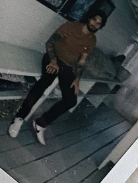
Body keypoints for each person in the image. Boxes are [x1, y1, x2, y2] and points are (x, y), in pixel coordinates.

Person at [7, 10, 106, 146]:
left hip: (67, 66)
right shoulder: (71, 26)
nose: (96, 24)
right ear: (89, 18)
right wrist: (53, 61)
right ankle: (19, 118)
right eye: (95, 19)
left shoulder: (92, 40)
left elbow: (82, 61)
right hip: (52, 58)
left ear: (100, 27)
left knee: (71, 100)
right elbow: (49, 43)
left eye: (99, 23)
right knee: (44, 82)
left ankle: (41, 123)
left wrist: (77, 79)